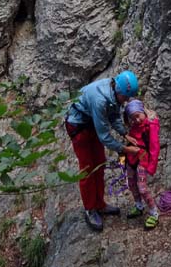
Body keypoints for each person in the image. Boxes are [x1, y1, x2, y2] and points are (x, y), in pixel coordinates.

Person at [65, 70, 141, 231]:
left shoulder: (113, 91)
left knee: (99, 163)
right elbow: (104, 137)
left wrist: (124, 133)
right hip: (78, 126)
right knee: (87, 169)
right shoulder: (100, 100)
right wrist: (126, 149)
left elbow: (113, 115)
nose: (127, 100)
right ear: (119, 91)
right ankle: (90, 209)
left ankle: (99, 204)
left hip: (90, 122)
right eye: (126, 97)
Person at [123, 98, 160, 229]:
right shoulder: (133, 126)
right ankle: (139, 205)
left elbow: (154, 146)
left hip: (143, 159)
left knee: (142, 187)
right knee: (132, 184)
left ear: (143, 112)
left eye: (138, 116)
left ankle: (154, 212)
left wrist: (152, 166)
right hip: (131, 159)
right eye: (133, 118)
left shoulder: (151, 126)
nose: (136, 120)